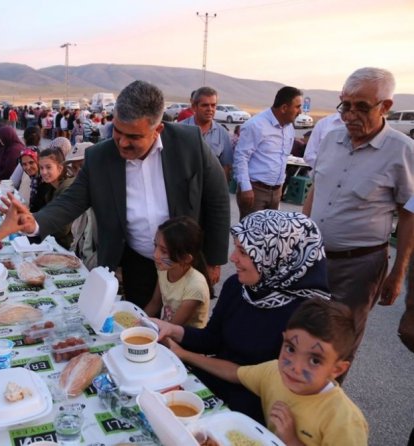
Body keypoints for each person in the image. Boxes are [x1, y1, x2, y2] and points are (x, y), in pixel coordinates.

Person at [17, 80, 230, 309]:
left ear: (157, 129)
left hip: (184, 262)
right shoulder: (100, 157)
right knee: (141, 324)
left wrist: (214, 260)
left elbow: (217, 199)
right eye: (118, 132)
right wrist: (34, 223)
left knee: (183, 331)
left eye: (134, 137)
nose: (123, 143)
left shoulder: (189, 144)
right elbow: (71, 201)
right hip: (136, 263)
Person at [153, 210, 330, 423]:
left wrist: (185, 355)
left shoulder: (304, 315)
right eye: (236, 248)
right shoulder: (238, 287)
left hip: (256, 402)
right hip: (216, 376)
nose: (232, 258)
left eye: (244, 252)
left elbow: (254, 376)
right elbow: (211, 339)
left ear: (275, 257)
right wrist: (170, 329)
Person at [303, 67, 414, 366]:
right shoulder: (330, 138)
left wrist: (398, 272)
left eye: (361, 107)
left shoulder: (403, 152)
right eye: (345, 106)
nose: (350, 115)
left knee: (338, 341)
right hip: (313, 258)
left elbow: (409, 215)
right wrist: (298, 238)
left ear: (386, 106)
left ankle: (327, 404)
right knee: (302, 331)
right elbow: (316, 189)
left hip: (359, 267)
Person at [171, 298, 368, 445]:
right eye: (290, 348)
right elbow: (234, 372)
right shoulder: (274, 372)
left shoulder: (345, 422)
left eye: (315, 360)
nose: (295, 367)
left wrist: (291, 440)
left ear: (338, 369)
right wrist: (184, 354)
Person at [233, 86, 302, 219]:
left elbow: (282, 157)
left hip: (275, 191)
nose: (300, 111)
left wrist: (279, 186)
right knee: (252, 236)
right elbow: (241, 157)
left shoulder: (289, 127)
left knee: (269, 236)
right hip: (254, 190)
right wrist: (246, 188)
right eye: (297, 107)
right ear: (284, 108)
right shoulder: (256, 125)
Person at [144, 216, 211, 328]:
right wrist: (136, 322)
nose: (155, 255)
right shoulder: (164, 269)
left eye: (164, 251)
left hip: (184, 341)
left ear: (186, 258)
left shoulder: (196, 286)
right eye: (155, 245)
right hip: (165, 331)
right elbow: (155, 303)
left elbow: (172, 329)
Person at [179, 87, 234, 182]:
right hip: (183, 187)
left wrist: (222, 191)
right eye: (205, 105)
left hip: (212, 189)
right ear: (194, 107)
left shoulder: (223, 133)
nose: (210, 109)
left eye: (213, 105)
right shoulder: (179, 130)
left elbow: (226, 166)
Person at [38, 147, 75, 249]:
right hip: (56, 242)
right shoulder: (52, 187)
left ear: (60, 168)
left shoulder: (67, 189)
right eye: (41, 168)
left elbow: (62, 229)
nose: (44, 172)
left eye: (48, 167)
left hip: (67, 247)